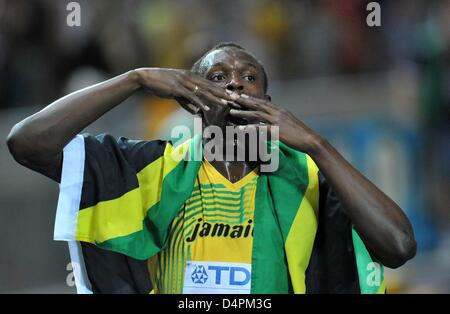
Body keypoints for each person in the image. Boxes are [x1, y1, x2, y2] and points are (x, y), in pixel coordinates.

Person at [6, 42, 416, 294]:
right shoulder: (154, 168)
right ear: (188, 99)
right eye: (218, 76)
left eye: (248, 77)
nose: (235, 84)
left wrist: (316, 144)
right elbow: (27, 143)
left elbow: (398, 246)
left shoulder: (308, 177)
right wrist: (135, 80)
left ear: (268, 100)